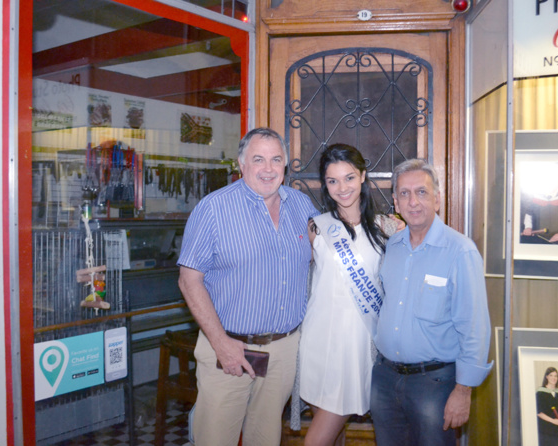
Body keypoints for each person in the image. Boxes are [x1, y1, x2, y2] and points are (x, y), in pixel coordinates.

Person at [177, 127, 318, 446]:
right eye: (258, 159)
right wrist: (220, 343)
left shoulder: (302, 206)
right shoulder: (213, 209)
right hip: (230, 349)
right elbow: (188, 280)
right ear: (241, 164)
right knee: (215, 439)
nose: (268, 169)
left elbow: (328, 255)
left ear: (285, 164)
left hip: (283, 350)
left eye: (276, 159)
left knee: (265, 438)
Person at [370, 159, 492, 446]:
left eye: (421, 192)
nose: (413, 202)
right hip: (385, 380)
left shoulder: (460, 251)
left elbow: (474, 328)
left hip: (434, 385)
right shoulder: (392, 248)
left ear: (437, 199)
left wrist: (463, 391)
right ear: (395, 202)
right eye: (404, 193)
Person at [298, 144, 400, 445]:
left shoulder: (387, 228)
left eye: (349, 178)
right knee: (333, 434)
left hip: (355, 344)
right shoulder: (316, 228)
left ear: (363, 176)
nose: (342, 188)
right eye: (333, 181)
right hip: (316, 340)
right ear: (325, 184)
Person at [536, 367, 558, 445]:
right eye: (551, 375)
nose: (553, 378)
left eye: (555, 376)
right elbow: (539, 412)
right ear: (547, 376)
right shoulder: (540, 393)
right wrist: (554, 421)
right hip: (546, 429)